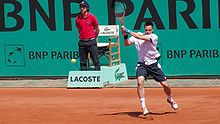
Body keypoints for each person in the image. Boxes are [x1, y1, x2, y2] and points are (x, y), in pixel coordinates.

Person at [121, 22, 178, 116]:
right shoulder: (138, 34)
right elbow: (127, 44)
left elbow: (140, 37)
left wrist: (127, 30)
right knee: (140, 81)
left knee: (165, 85)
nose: (148, 32)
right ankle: (143, 106)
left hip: (153, 65)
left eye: (149, 30)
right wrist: (125, 35)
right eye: (146, 30)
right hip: (142, 64)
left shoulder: (154, 37)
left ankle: (170, 98)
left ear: (152, 30)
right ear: (144, 29)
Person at [75, 1, 100, 71]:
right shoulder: (77, 19)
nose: (81, 8)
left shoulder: (92, 17)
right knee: (82, 62)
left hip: (91, 42)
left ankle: (98, 77)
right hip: (82, 43)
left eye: (83, 7)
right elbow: (79, 29)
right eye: (80, 7)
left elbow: (97, 29)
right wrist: (83, 37)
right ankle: (83, 76)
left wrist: (93, 38)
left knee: (96, 61)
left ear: (87, 8)